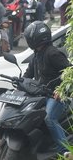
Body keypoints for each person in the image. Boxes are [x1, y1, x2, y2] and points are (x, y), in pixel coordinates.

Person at [22, 21, 70, 154]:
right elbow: (28, 74)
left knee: (49, 118)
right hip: (41, 94)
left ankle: (65, 150)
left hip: (56, 96)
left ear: (35, 39)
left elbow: (69, 72)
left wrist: (61, 90)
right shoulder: (37, 55)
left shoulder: (53, 53)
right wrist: (19, 83)